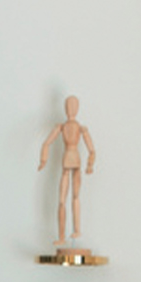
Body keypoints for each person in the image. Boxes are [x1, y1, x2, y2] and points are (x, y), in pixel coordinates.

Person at [39, 95, 96, 245]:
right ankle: (68, 234)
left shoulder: (63, 127)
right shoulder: (77, 128)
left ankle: (68, 234)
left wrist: (43, 160)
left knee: (65, 199)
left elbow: (46, 143)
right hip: (74, 158)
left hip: (68, 158)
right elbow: (92, 150)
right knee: (70, 198)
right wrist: (90, 164)